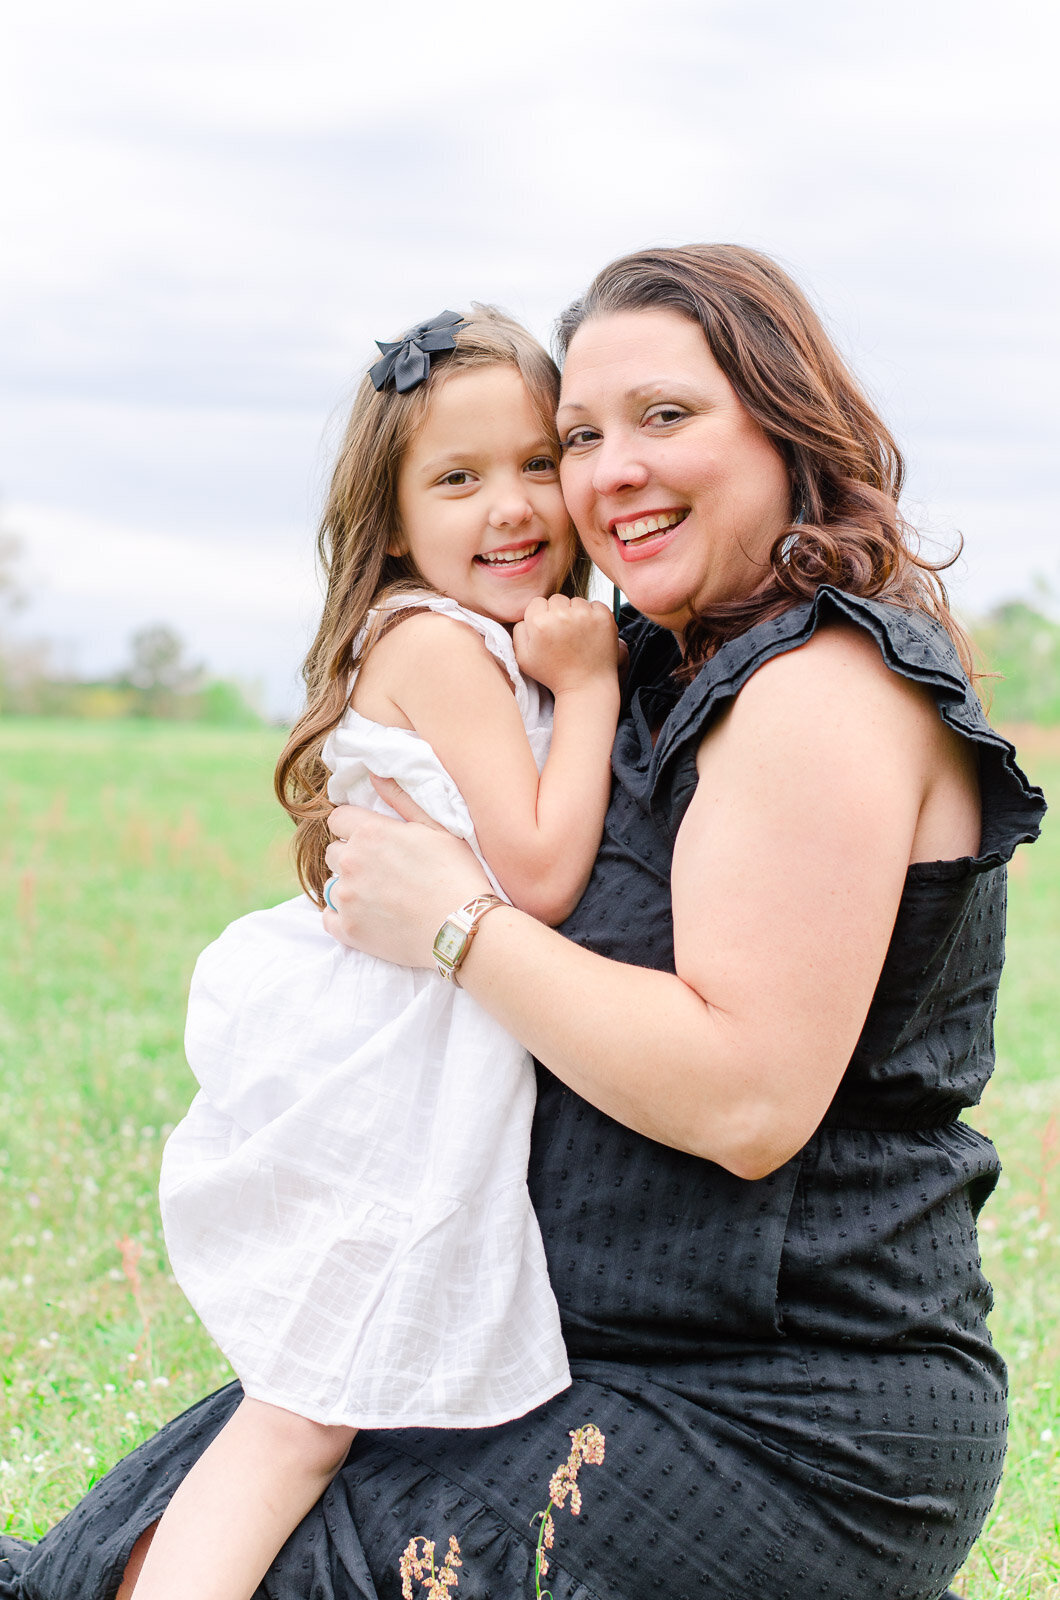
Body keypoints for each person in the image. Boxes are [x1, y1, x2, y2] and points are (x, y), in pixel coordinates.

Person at [0, 245, 1045, 1600]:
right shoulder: (670, 666)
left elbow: (746, 1097)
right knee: (109, 1563)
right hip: (564, 1349)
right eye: (583, 436)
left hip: (773, 1411)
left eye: (667, 418)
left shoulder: (821, 690)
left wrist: (458, 925)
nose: (610, 472)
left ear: (786, 425)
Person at [129, 306, 620, 1600]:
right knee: (300, 1417)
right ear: (394, 519)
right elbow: (538, 876)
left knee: (326, 1404)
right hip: (381, 1064)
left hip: (411, 1045)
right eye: (457, 479)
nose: (510, 506)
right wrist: (597, 689)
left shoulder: (480, 638)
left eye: (532, 462)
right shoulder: (434, 643)